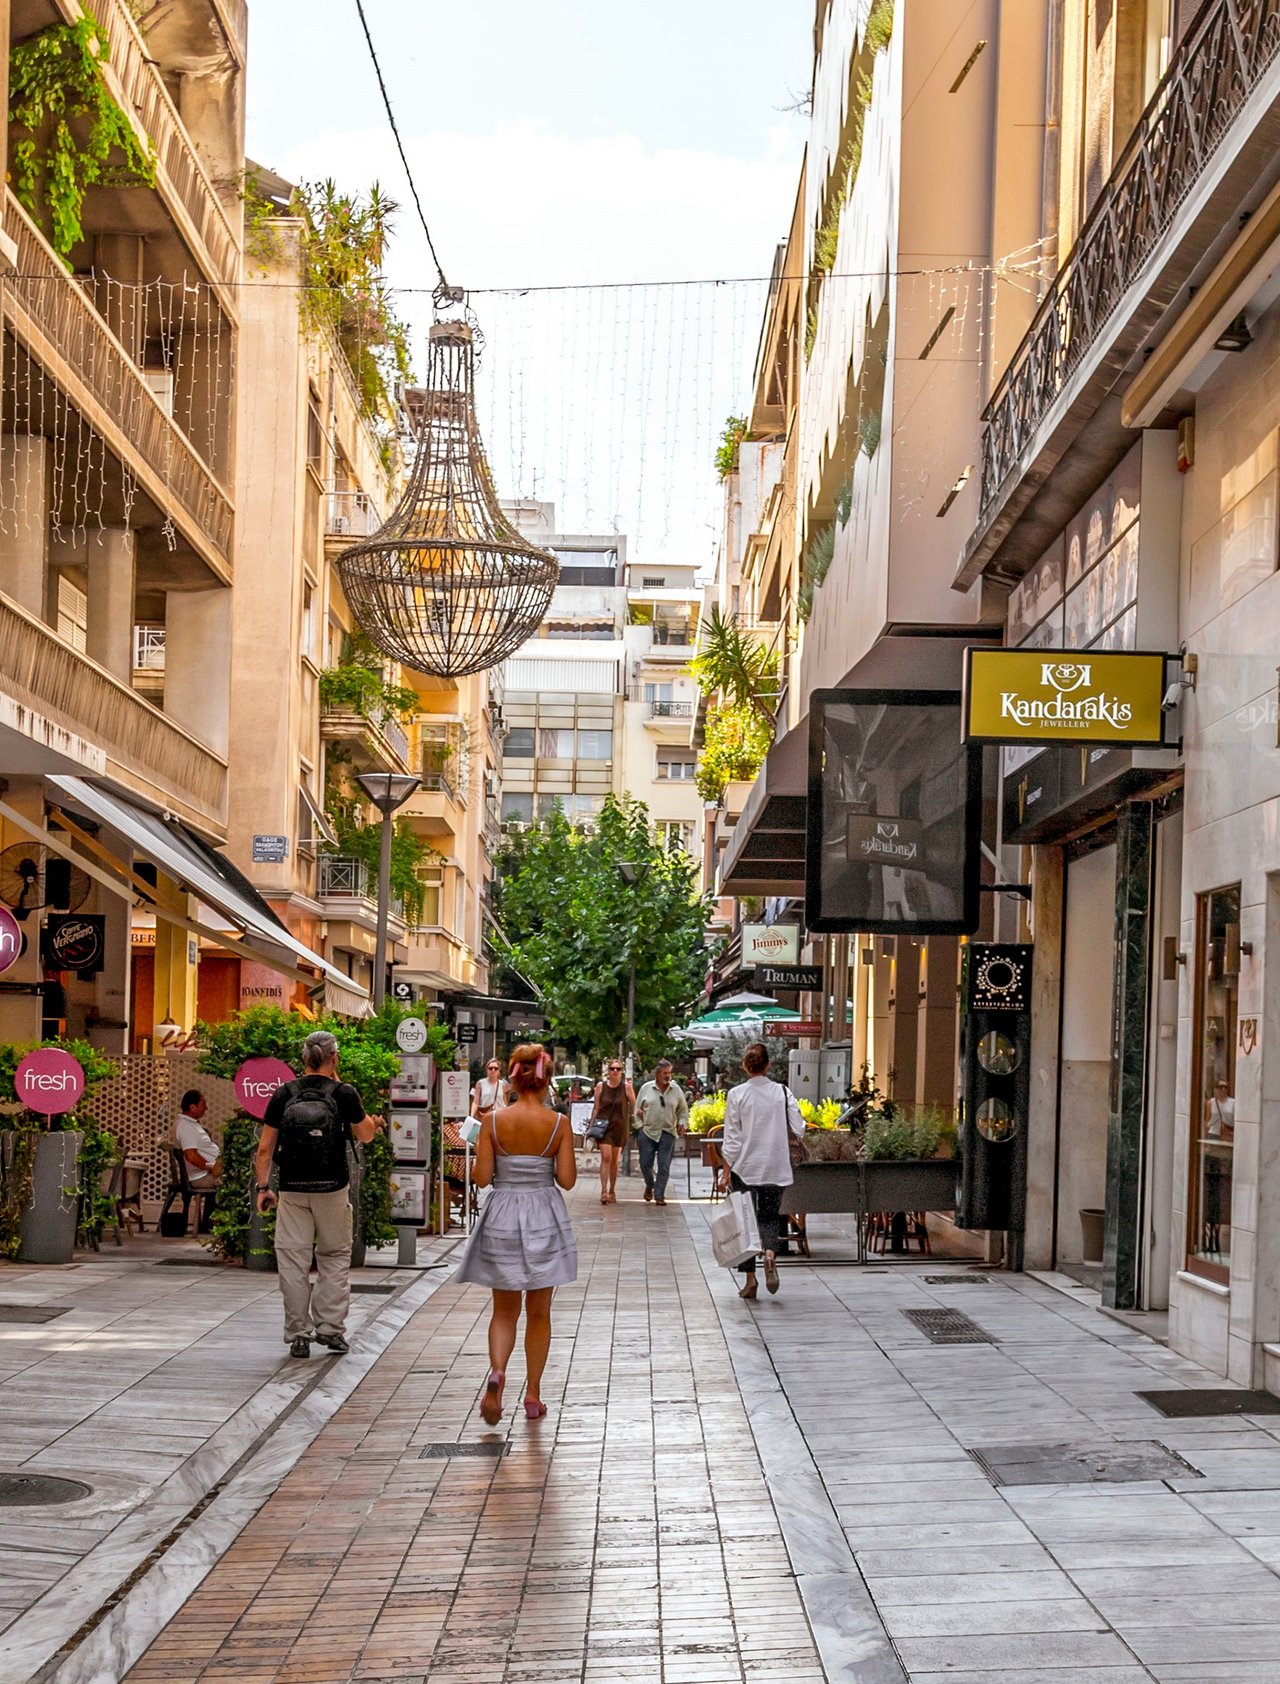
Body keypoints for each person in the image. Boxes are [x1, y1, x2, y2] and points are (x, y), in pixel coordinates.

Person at [456, 1043, 577, 1423]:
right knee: (539, 1313)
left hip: (503, 1214)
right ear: (546, 1081)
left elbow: (481, 1178)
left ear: (513, 1077)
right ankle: (534, 1394)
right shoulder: (558, 1124)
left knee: (503, 1311)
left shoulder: (492, 1122)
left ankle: (496, 1372)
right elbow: (568, 1180)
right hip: (543, 1214)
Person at [254, 1031, 383, 1360]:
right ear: (334, 1058)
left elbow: (265, 1148)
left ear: (302, 1059)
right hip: (333, 1188)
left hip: (293, 1190)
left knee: (294, 1261)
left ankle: (298, 1333)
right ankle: (330, 1329)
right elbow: (366, 1134)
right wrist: (340, 1082)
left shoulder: (284, 1094)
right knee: (335, 1257)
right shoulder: (344, 1094)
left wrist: (263, 1187)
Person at [717, 1041, 805, 1299]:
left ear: (745, 1066)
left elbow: (732, 1138)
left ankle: (750, 1281)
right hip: (775, 1166)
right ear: (768, 1065)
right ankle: (769, 1254)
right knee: (770, 1216)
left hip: (744, 1168)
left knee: (744, 1223)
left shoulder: (737, 1094)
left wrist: (725, 1171)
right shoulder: (782, 1092)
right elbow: (799, 1128)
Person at [633, 1060, 688, 1205]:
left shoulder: (676, 1090)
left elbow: (683, 1110)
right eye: (665, 1073)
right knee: (645, 1164)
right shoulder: (646, 1088)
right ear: (657, 1074)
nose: (668, 1076)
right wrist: (639, 1127)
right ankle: (650, 1185)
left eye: (670, 1072)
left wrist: (682, 1123)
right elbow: (636, 1110)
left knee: (664, 1165)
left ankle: (659, 1195)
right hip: (648, 1131)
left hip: (667, 1132)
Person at [589, 1058, 634, 1204]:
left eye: (618, 1069)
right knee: (606, 1157)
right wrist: (591, 1125)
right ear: (608, 1071)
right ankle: (603, 1191)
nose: (615, 1071)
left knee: (615, 1160)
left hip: (619, 1126)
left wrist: (633, 1120)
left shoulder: (626, 1088)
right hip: (603, 1127)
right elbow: (596, 1107)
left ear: (621, 1072)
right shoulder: (600, 1087)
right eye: (612, 1068)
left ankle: (612, 1190)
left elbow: (633, 1105)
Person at [174, 1090, 221, 1190]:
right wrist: (211, 1167)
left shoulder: (190, 1124)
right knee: (236, 1180)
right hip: (200, 1177)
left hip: (206, 1172)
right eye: (203, 1105)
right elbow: (191, 1156)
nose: (206, 1108)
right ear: (192, 1107)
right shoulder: (185, 1127)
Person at [471, 1059, 509, 1126]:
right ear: (487, 1070)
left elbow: (505, 1102)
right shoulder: (480, 1083)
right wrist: (472, 1116)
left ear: (499, 1071)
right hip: (486, 1117)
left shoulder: (503, 1085)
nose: (493, 1070)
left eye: (496, 1068)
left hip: (500, 1117)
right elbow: (475, 1101)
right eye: (490, 1068)